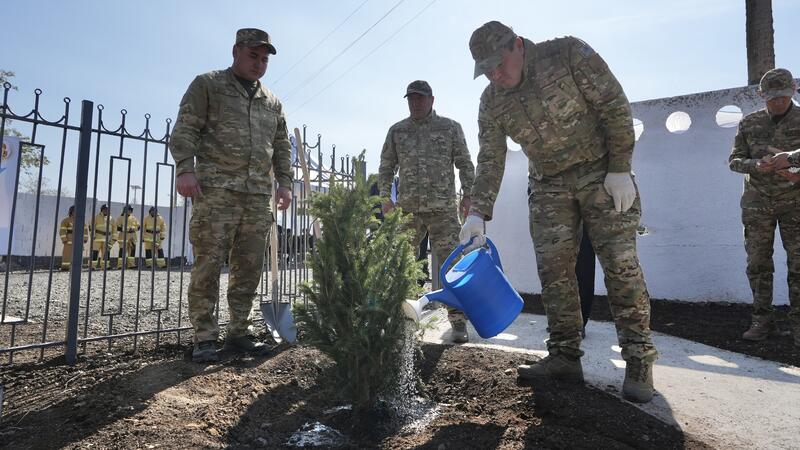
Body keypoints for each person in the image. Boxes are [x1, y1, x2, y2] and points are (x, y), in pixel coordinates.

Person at [461, 21, 657, 403]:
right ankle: (565, 356)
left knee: (621, 266)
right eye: (486, 70)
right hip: (548, 184)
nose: (496, 75)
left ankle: (638, 360)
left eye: (499, 63)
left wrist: (620, 168)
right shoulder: (492, 100)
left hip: (600, 172)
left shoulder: (567, 54)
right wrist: (478, 211)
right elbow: (490, 158)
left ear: (517, 45)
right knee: (555, 273)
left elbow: (615, 107)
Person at [169, 27, 293, 363]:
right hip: (216, 192)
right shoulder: (208, 85)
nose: (259, 64)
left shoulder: (272, 101)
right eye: (253, 55)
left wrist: (284, 183)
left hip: (255, 196)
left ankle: (239, 331)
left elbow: (282, 147)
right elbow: (185, 128)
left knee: (248, 266)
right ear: (236, 51)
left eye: (264, 59)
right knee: (209, 264)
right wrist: (185, 168)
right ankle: (205, 337)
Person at [378, 80, 475, 343]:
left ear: (432, 100)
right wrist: (385, 198)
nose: (415, 103)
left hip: (442, 209)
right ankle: (406, 321)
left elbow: (465, 163)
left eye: (420, 98)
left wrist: (468, 195)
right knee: (404, 266)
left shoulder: (449, 127)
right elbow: (386, 167)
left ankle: (457, 321)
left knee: (453, 265)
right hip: (408, 210)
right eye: (410, 99)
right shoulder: (397, 131)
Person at [729, 68, 800, 347]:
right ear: (761, 96)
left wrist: (793, 161)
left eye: (782, 96)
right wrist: (756, 165)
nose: (778, 102)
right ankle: (762, 321)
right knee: (758, 265)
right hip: (758, 205)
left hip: (796, 204)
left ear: (793, 90)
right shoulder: (749, 123)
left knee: (799, 265)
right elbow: (735, 160)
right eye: (772, 98)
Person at [59, 205, 88, 271]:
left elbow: (85, 230)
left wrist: (85, 239)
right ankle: (65, 267)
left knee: (78, 255)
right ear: (71, 212)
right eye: (74, 211)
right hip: (68, 241)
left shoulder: (81, 221)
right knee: (67, 255)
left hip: (79, 241)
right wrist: (64, 239)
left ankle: (78, 267)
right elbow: (62, 231)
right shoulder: (66, 220)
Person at [115, 204, 140, 269]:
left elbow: (138, 226)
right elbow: (117, 227)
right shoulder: (120, 218)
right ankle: (120, 265)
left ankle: (131, 265)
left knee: (132, 251)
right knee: (122, 252)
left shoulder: (134, 218)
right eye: (129, 210)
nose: (130, 211)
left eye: (131, 210)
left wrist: (134, 228)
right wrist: (126, 229)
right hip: (123, 237)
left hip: (132, 237)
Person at [90, 204, 114, 270]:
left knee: (106, 253)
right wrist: (92, 236)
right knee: (95, 253)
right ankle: (92, 266)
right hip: (97, 239)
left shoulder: (111, 219)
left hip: (107, 239)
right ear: (102, 210)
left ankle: (105, 266)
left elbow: (114, 231)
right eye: (104, 209)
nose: (106, 210)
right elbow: (91, 228)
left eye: (107, 209)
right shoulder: (96, 217)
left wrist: (112, 240)